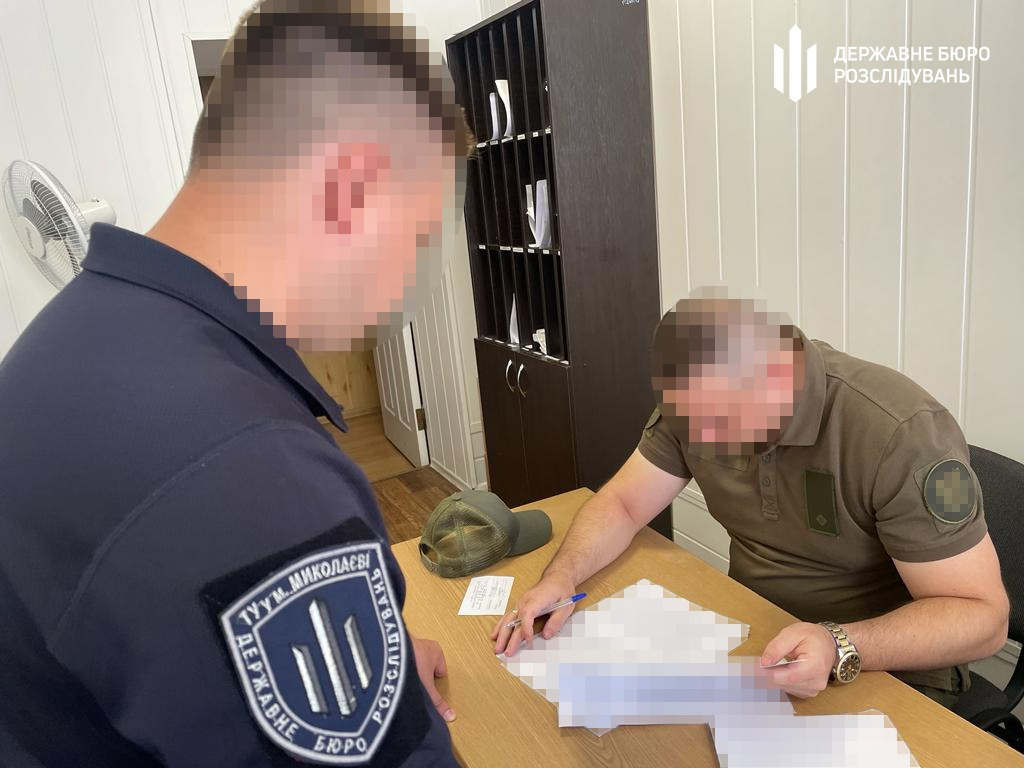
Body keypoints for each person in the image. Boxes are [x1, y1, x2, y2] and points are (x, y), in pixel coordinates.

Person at [0, 2, 469, 765]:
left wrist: (367, 674)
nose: (402, 289)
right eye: (416, 239)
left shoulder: (79, 337)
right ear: (348, 190)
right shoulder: (243, 467)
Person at [492, 289, 1009, 710]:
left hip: (882, 665)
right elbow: (623, 504)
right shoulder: (697, 403)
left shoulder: (903, 435)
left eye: (723, 423)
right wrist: (561, 577)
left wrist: (838, 644)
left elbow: (984, 619)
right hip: (756, 635)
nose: (704, 442)